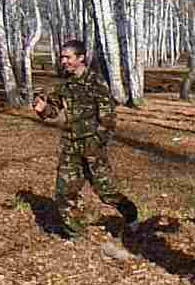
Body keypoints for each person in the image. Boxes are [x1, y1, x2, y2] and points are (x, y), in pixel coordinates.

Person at [33, 40, 139, 240]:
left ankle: (130, 213)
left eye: (68, 57)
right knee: (64, 192)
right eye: (62, 57)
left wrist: (97, 143)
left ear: (80, 58)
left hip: (93, 147)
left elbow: (108, 119)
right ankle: (76, 234)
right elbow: (53, 111)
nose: (63, 61)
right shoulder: (64, 83)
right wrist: (42, 109)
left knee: (106, 192)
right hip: (70, 146)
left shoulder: (96, 82)